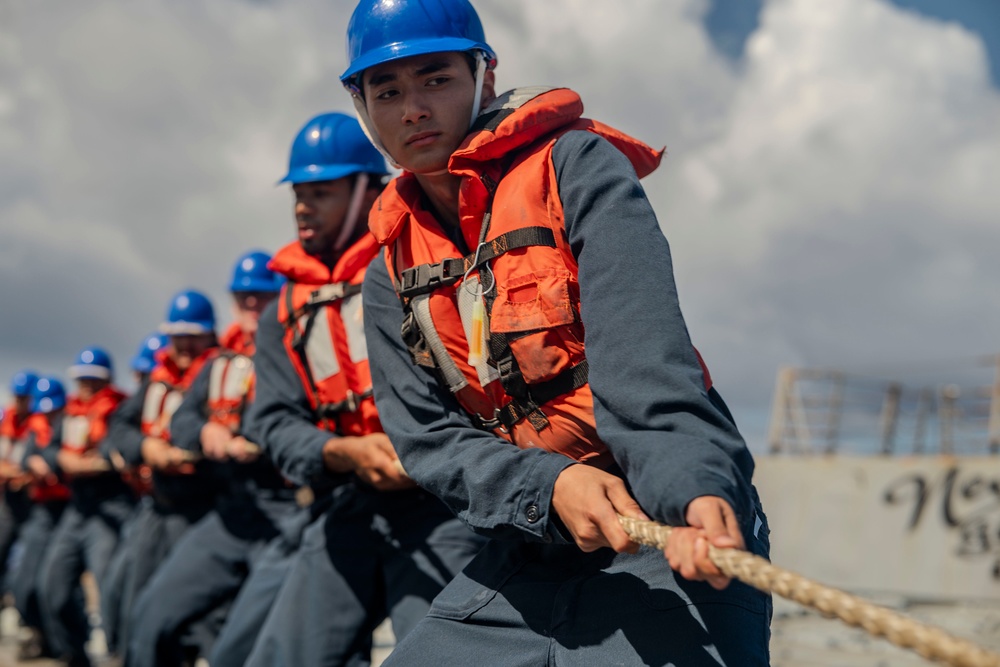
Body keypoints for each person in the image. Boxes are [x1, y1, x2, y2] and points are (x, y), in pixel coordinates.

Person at [340, 1, 772, 664]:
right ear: (363, 106)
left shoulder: (577, 168)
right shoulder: (387, 272)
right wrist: (548, 487)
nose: (412, 110)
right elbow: (429, 440)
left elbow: (645, 363)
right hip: (530, 539)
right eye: (387, 92)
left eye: (436, 80)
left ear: (484, 78)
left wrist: (693, 491)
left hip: (661, 526)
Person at [242, 111, 485, 666]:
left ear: (365, 190)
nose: (304, 207)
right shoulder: (282, 311)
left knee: (444, 654)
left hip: (441, 506)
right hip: (348, 499)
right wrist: (341, 452)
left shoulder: (422, 266)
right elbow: (273, 422)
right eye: (299, 195)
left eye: (321, 193)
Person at [127, 251, 297, 667]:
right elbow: (183, 418)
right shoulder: (223, 359)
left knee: (238, 649)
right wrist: (206, 432)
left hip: (291, 514)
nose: (252, 304)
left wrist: (260, 440)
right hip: (233, 510)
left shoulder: (300, 347)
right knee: (149, 617)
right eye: (243, 296)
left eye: (261, 295)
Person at [104, 290, 223, 662]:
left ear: (210, 335)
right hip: (157, 509)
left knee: (205, 618)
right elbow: (119, 427)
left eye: (194, 335)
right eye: (178, 336)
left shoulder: (222, 373)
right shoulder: (157, 379)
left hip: (205, 511)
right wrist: (147, 449)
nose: (185, 344)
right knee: (135, 601)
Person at [35, 347, 133, 667]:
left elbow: (119, 447)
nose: (88, 385)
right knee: (52, 586)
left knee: (108, 586)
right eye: (83, 379)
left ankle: (119, 654)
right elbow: (49, 451)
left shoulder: (119, 410)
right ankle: (75, 655)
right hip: (77, 510)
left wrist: (97, 462)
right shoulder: (70, 414)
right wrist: (62, 460)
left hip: (109, 508)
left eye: (95, 379)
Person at [13, 376, 72, 660]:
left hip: (68, 509)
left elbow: (66, 457)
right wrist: (32, 461)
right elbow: (25, 457)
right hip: (41, 510)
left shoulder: (71, 423)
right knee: (24, 583)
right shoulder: (36, 428)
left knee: (53, 583)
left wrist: (45, 460)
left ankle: (62, 645)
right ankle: (37, 633)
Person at [0, 371, 39, 597]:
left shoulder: (42, 424)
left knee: (29, 560)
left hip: (33, 502)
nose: (19, 402)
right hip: (8, 500)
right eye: (17, 397)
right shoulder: (5, 419)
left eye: (24, 397)